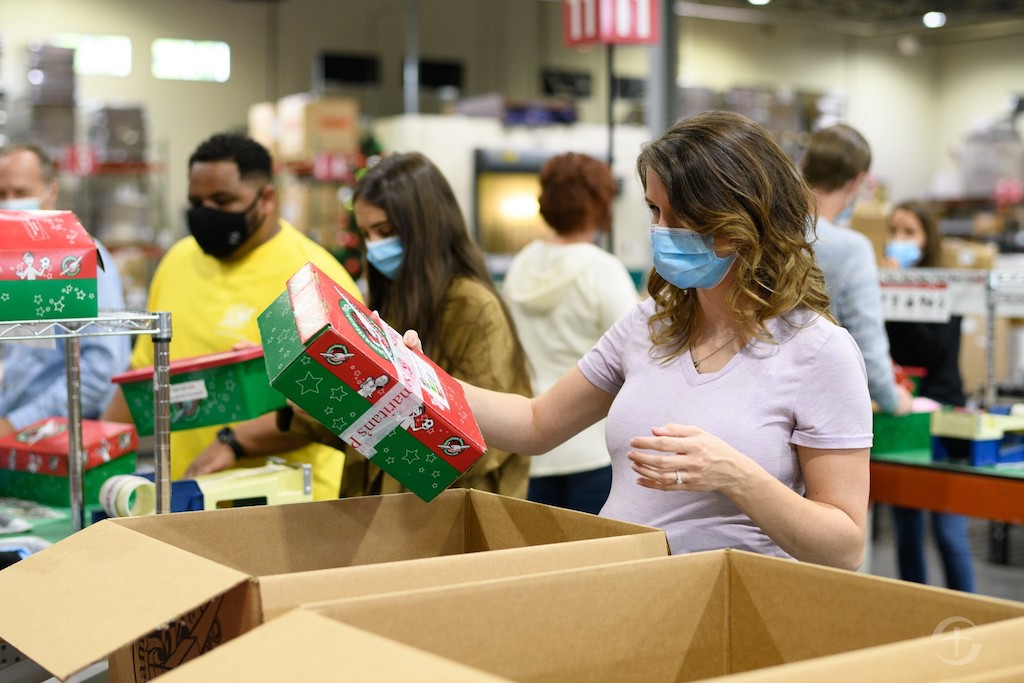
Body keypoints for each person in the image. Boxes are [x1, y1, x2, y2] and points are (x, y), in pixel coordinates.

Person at [404, 111, 873, 569]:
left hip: (727, 608)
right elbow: (535, 423)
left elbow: (843, 546)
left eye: (681, 214)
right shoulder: (651, 324)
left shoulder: (818, 351)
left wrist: (735, 475)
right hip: (627, 587)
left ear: (742, 218)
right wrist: (425, 380)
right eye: (654, 210)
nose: (661, 231)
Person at [102, 133, 363, 500]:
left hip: (293, 507)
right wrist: (94, 448)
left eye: (222, 201)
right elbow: (142, 379)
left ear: (267, 199)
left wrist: (234, 443)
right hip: (188, 496)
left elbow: (341, 405)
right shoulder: (176, 262)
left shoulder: (315, 278)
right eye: (196, 202)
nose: (206, 213)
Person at [279, 151, 533, 498]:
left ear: (426, 226)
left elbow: (484, 444)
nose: (376, 247)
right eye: (368, 234)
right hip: (382, 505)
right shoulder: (393, 297)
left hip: (438, 515)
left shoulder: (472, 306)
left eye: (385, 231)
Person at [502, 152, 638, 514]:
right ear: (601, 203)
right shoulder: (603, 270)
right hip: (590, 445)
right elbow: (637, 355)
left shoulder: (522, 263)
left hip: (529, 440)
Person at [0, 143, 131, 436]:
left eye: (21, 193)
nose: (9, 204)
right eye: (1, 195)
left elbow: (101, 368)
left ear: (51, 192)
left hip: (65, 438)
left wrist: (17, 424)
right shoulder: (8, 263)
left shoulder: (78, 260)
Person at [883, 199, 976, 592]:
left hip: (944, 413)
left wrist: (898, 297)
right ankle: (914, 613)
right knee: (906, 527)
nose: (898, 240)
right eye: (893, 231)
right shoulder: (879, 282)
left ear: (927, 239)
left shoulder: (948, 287)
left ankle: (970, 614)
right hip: (901, 412)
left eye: (909, 232)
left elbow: (933, 349)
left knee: (949, 529)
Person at [801, 124, 913, 416]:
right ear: (858, 181)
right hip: (820, 404)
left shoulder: (770, 229)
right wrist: (894, 399)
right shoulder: (851, 248)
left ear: (805, 167)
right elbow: (867, 343)